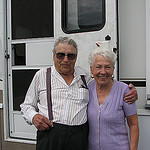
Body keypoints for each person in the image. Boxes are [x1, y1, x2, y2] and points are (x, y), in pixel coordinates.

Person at [20, 37, 138, 150]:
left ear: (76, 57)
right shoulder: (41, 75)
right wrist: (33, 116)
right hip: (50, 136)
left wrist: (130, 90)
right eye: (61, 55)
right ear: (53, 56)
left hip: (78, 138)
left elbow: (104, 82)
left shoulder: (85, 77)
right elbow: (26, 106)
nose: (65, 59)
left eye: (70, 56)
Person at [87, 46, 139, 150]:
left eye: (107, 67)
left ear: (113, 69)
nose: (103, 72)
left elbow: (133, 125)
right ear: (91, 70)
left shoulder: (124, 90)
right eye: (98, 67)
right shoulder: (88, 88)